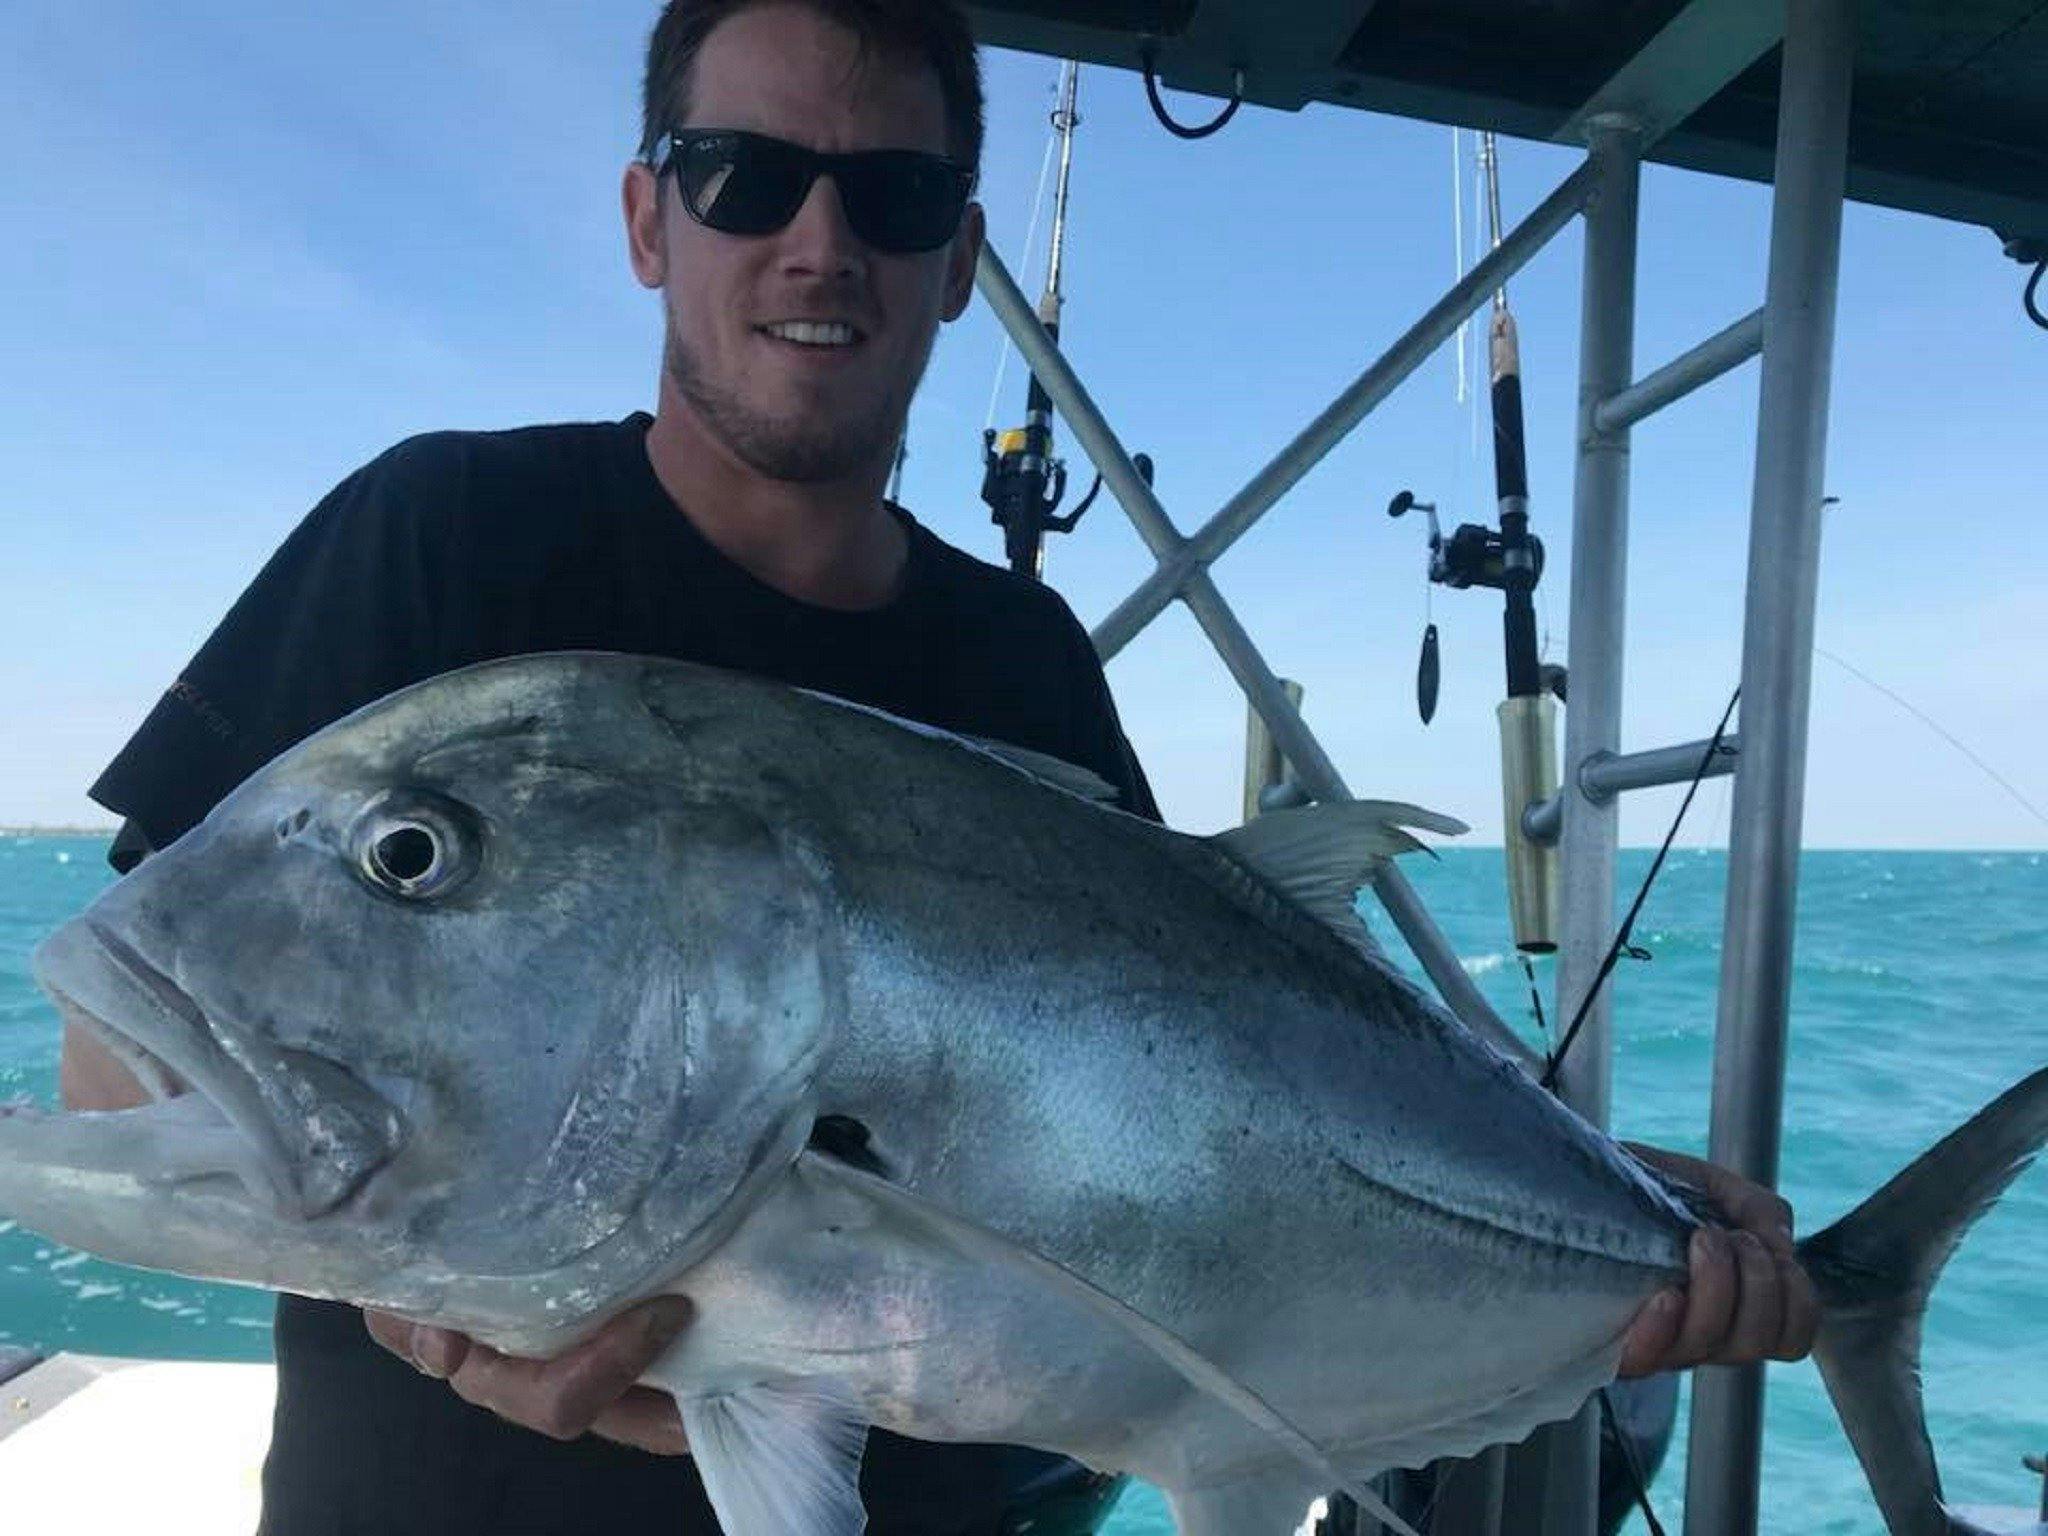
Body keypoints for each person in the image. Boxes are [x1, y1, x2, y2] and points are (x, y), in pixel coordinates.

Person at [60, 1, 1817, 1531]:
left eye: (890, 197)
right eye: (745, 175)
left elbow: (1233, 1096)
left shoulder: (1025, 668)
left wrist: (1609, 1221)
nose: (818, 243)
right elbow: (119, 1058)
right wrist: (437, 1317)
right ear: (647, 220)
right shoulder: (442, 538)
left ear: (958, 259)